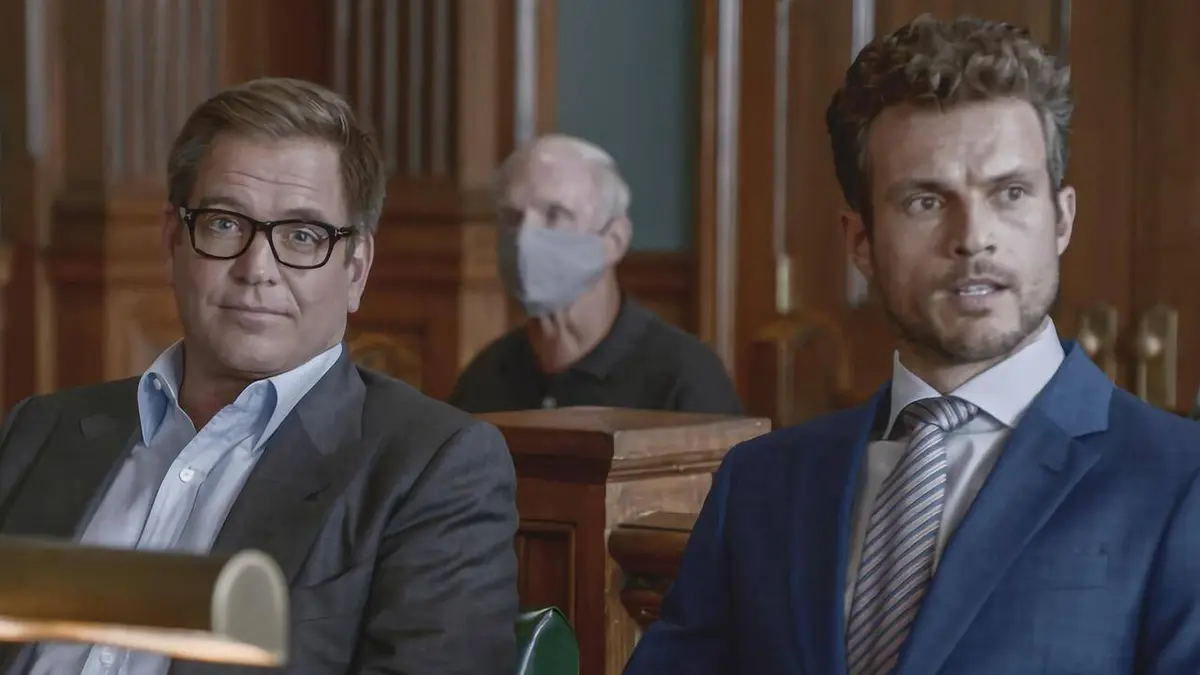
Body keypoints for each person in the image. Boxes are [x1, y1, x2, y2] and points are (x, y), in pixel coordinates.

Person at [624, 14, 1200, 675]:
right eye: (926, 201)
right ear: (860, 242)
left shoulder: (1180, 480)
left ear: (1061, 219)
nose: (973, 237)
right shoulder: (760, 483)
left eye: (1010, 193)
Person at [0, 78, 518, 675]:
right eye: (224, 223)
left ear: (356, 270)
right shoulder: (41, 430)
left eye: (302, 236)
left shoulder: (432, 468)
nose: (257, 269)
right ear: (172, 241)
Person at [449, 134, 743, 416]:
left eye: (555, 215)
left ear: (614, 240)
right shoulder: (483, 380)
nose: (525, 238)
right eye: (513, 218)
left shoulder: (685, 380)